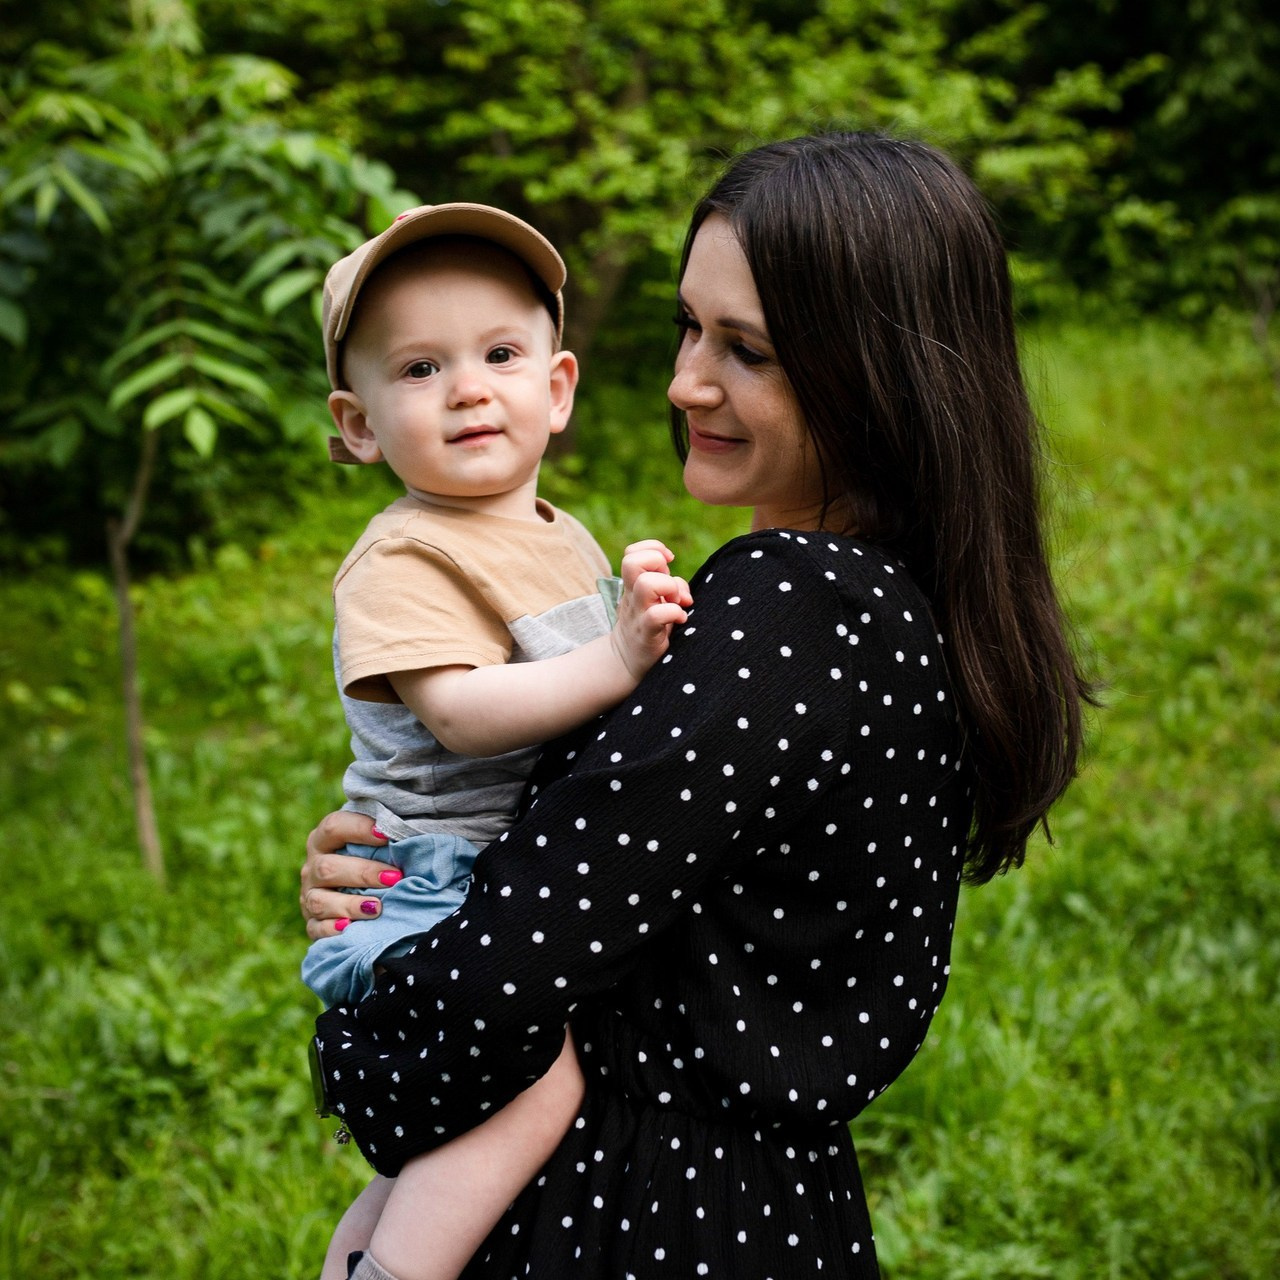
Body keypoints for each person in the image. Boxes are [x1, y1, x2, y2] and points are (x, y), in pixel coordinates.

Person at [300, 131, 1090, 1278]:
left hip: (638, 1211)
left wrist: (366, 1022)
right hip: (762, 1208)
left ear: (873, 373)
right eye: (688, 326)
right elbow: (602, 853)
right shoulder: (893, 605)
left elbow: (507, 966)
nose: (684, 382)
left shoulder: (794, 606)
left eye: (746, 349)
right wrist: (401, 851)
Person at [304, 203, 692, 1280]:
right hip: (428, 884)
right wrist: (621, 656)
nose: (468, 388)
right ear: (359, 424)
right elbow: (462, 712)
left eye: (500, 355)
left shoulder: (559, 534)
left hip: (494, 874)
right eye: (420, 368)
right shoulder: (403, 557)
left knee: (437, 1144)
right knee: (536, 1084)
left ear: (556, 389)